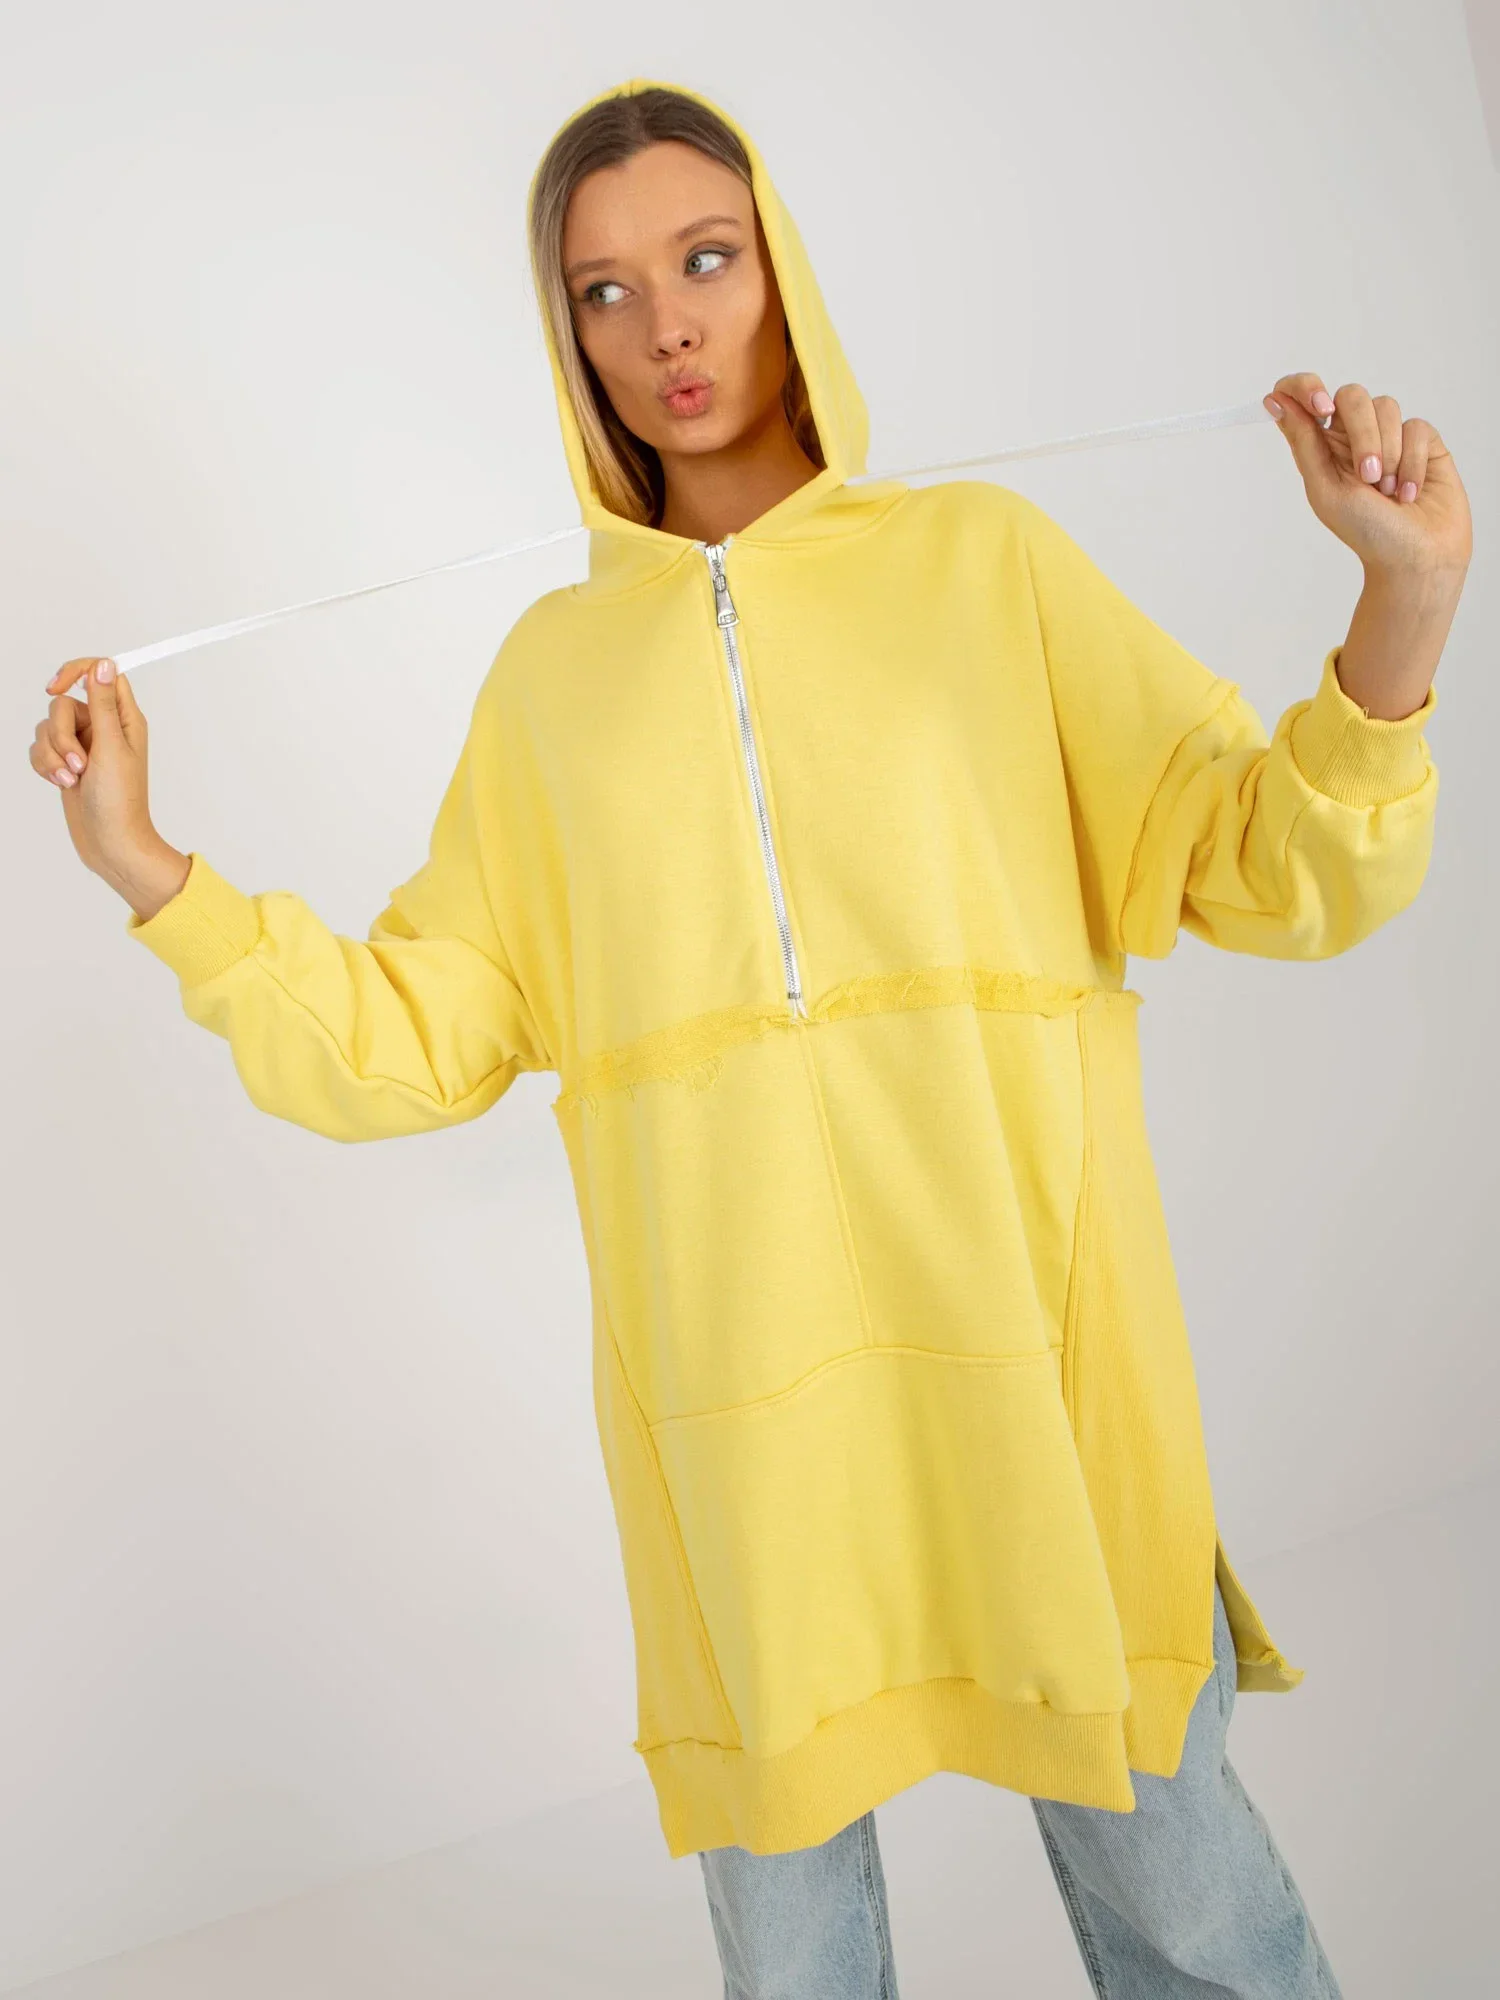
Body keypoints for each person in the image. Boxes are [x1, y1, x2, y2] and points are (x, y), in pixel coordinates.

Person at [30, 76, 1468, 2000]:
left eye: (706, 260)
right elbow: (410, 1040)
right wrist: (152, 870)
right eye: (605, 292)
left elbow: (1271, 865)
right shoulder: (552, 684)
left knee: (1195, 1910)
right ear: (567, 337)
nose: (667, 328)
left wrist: (1406, 596)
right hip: (743, 1449)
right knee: (793, 1962)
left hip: (1046, 1389)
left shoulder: (986, 564)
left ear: (784, 269)